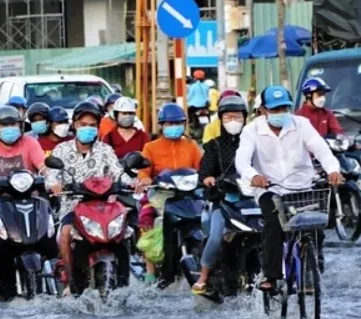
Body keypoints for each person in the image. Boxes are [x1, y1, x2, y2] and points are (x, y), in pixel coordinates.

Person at [235, 86, 342, 291]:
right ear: (264, 110)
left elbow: (321, 149)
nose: (280, 113)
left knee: (317, 223)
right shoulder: (252, 130)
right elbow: (242, 160)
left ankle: (312, 267)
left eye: (284, 108)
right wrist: (254, 176)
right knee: (273, 223)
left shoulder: (302, 124)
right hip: (270, 188)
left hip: (303, 185)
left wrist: (333, 170)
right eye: (274, 110)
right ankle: (272, 275)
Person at [51, 100, 131, 288]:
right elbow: (51, 173)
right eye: (83, 125)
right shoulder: (61, 149)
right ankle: (71, 281)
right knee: (65, 233)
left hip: (105, 207)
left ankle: (125, 278)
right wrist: (54, 184)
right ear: (75, 125)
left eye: (93, 126)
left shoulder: (105, 150)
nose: (88, 129)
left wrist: (133, 182)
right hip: (73, 207)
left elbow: (118, 172)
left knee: (126, 231)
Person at [0, 106, 49, 287]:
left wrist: (50, 177)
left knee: (49, 219)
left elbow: (42, 165)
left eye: (13, 124)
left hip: (29, 196)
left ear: (21, 125)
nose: (9, 128)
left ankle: (53, 266)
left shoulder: (30, 143)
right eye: (4, 124)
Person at [136, 103, 202, 287]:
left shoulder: (191, 145)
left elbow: (202, 168)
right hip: (161, 195)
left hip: (188, 194)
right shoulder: (150, 147)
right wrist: (146, 179)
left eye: (178, 123)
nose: (174, 127)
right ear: (162, 125)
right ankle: (150, 270)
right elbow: (143, 172)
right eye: (169, 123)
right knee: (148, 219)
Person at [192, 95, 248, 295]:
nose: (233, 121)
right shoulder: (214, 145)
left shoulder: (254, 143)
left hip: (252, 202)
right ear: (221, 120)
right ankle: (204, 275)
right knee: (216, 237)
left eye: (237, 117)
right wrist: (208, 179)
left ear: (245, 118)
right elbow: (205, 170)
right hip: (224, 201)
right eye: (228, 117)